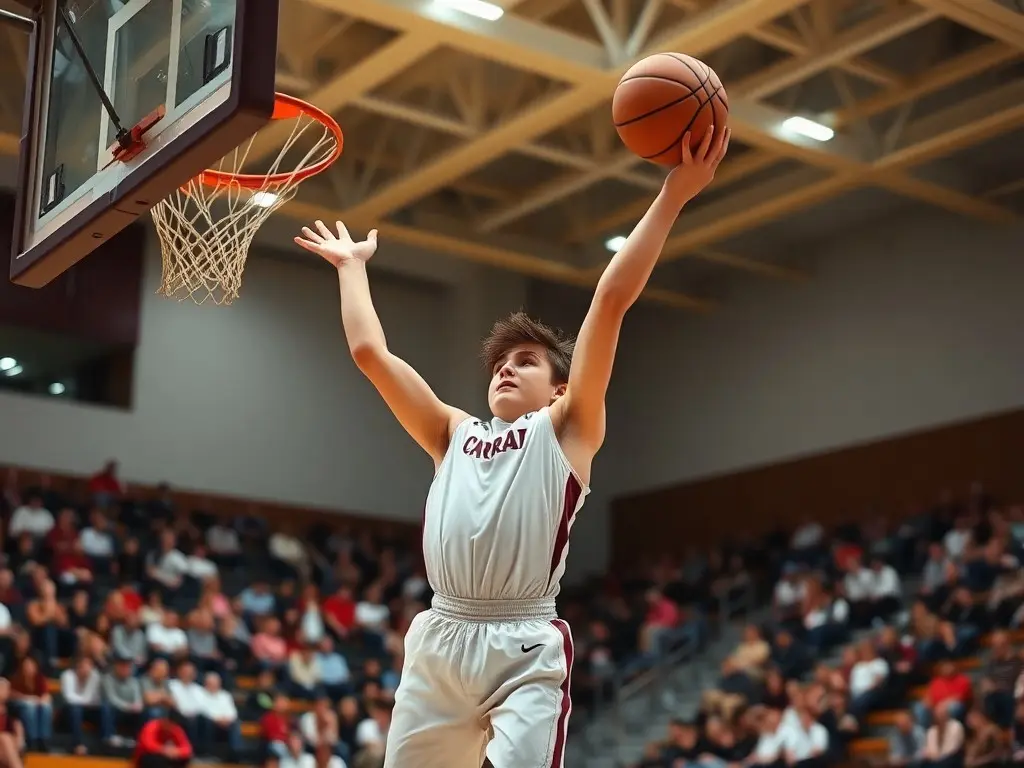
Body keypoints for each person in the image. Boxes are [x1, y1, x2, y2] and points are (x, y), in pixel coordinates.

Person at [294, 125, 730, 768]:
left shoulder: (569, 427)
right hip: (440, 636)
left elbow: (609, 302)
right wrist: (353, 270)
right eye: (500, 362)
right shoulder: (451, 432)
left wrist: (673, 193)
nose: (505, 368)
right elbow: (368, 353)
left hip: (522, 640)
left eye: (526, 362)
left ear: (558, 389)